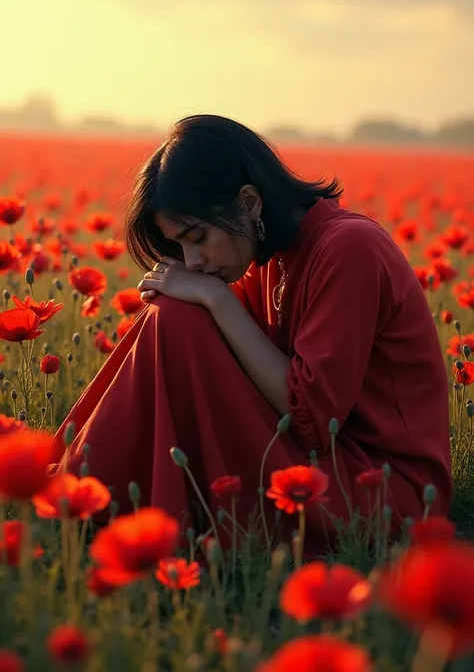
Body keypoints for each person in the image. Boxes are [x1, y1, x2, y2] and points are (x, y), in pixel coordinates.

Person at [53, 114, 452, 554]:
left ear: (249, 203)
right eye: (181, 247)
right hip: (314, 459)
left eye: (198, 237)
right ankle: (95, 490)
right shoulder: (266, 258)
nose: (195, 260)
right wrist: (201, 297)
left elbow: (312, 419)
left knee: (181, 315)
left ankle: (98, 492)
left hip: (377, 484)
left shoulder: (349, 247)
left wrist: (217, 299)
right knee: (175, 314)